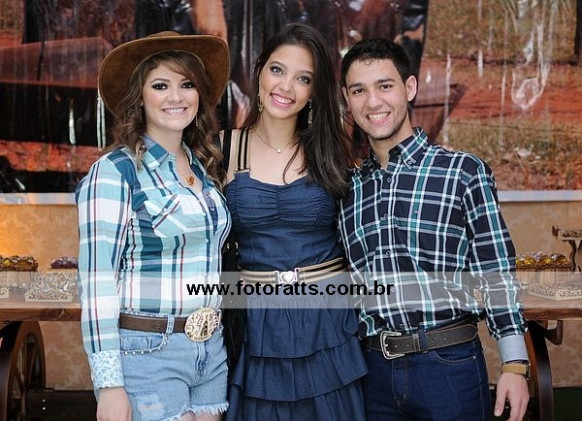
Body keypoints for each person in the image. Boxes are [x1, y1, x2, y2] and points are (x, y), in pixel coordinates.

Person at [338, 38, 530, 421]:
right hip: (373, 372)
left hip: (448, 366)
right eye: (359, 90)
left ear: (409, 88)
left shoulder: (463, 172)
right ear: (347, 99)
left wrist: (514, 364)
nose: (373, 102)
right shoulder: (348, 188)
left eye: (385, 86)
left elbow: (496, 270)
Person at [76, 31, 231, 421]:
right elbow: (97, 284)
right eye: (160, 85)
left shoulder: (202, 168)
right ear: (140, 97)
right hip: (146, 351)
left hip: (210, 349)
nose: (176, 96)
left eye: (186, 84)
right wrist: (110, 385)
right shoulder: (115, 171)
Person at [221, 23, 367, 420]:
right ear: (259, 71)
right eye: (277, 70)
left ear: (314, 91)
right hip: (255, 322)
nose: (286, 87)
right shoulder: (223, 149)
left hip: (327, 321)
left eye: (303, 78)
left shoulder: (331, 152)